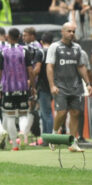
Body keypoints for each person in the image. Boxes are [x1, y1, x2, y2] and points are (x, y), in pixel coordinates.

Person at [46, 22, 92, 152]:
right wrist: (52, 85)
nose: (71, 34)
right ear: (62, 32)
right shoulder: (54, 47)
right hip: (60, 87)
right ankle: (54, 136)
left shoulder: (77, 48)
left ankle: (72, 143)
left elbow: (81, 66)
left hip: (76, 87)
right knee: (61, 113)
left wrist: (88, 83)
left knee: (76, 113)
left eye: (73, 31)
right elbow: (49, 66)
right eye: (69, 31)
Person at [0, 28, 36, 151]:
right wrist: (33, 87)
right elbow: (30, 71)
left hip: (8, 88)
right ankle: (22, 132)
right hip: (23, 87)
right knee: (23, 115)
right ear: (19, 37)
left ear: (8, 36)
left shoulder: (3, 52)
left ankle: (14, 145)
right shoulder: (24, 51)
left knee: (10, 117)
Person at [21, 27, 44, 146]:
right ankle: (25, 135)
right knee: (31, 109)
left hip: (35, 83)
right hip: (31, 82)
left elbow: (36, 67)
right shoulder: (29, 46)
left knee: (37, 109)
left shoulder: (35, 48)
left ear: (32, 36)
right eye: (23, 35)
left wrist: (31, 80)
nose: (23, 37)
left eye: (25, 35)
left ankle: (41, 137)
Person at [35, 32, 54, 136]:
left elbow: (37, 70)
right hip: (55, 85)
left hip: (43, 86)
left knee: (46, 113)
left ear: (41, 42)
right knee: (47, 112)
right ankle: (47, 136)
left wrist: (30, 76)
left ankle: (49, 138)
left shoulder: (40, 52)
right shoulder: (55, 51)